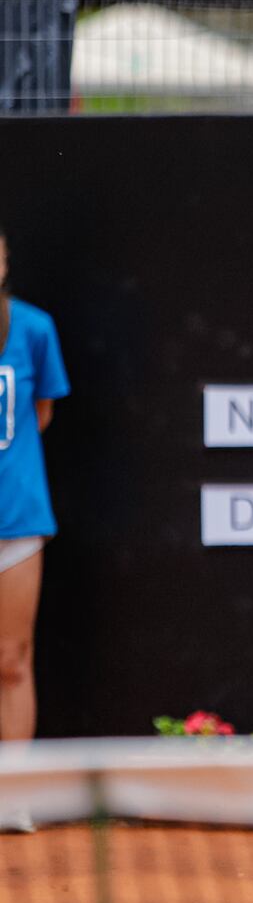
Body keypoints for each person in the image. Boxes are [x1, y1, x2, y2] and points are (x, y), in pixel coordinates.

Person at [0, 223, 69, 833]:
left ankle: (12, 793)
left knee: (12, 660)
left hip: (17, 521)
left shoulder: (33, 329)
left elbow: (39, 416)